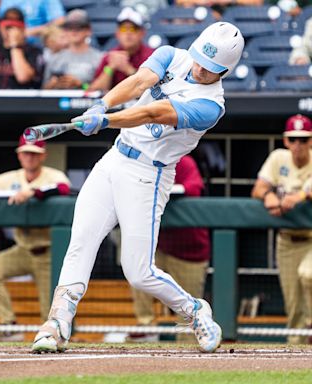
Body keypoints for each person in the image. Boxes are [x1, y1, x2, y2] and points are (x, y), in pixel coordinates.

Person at [31, 21, 245, 354]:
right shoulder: (171, 56)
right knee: (81, 240)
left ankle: (195, 311)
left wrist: (105, 120)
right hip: (114, 158)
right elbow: (137, 83)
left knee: (139, 272)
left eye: (211, 68)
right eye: (201, 59)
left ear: (226, 70)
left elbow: (151, 112)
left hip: (149, 175)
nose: (201, 69)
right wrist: (101, 105)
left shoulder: (211, 106)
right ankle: (57, 323)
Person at [0, 136, 71, 341]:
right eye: (26, 152)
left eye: (35, 153)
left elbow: (63, 188)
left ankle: (55, 341)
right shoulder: (9, 178)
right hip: (23, 249)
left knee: (50, 310)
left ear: (43, 155)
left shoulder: (53, 175)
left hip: (48, 253)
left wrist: (33, 192)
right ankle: (9, 325)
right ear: (19, 155)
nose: (30, 157)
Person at [130, 155, 210, 343]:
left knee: (188, 312)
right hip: (159, 245)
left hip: (189, 249)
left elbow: (194, 188)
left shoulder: (184, 162)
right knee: (137, 268)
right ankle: (146, 328)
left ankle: (189, 352)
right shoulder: (143, 162)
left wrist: (165, 190)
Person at [251, 114, 312, 344]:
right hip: (286, 242)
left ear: (311, 141)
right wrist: (268, 196)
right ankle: (295, 362)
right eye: (293, 139)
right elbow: (258, 188)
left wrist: (300, 196)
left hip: (310, 238)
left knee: (308, 274)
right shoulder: (278, 158)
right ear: (286, 140)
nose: (298, 145)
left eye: (303, 139)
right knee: (293, 308)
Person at [90, 7, 154, 92]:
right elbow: (95, 90)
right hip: (115, 104)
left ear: (142, 33)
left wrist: (129, 70)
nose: (128, 33)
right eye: (123, 29)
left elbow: (154, 89)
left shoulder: (151, 56)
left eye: (133, 29)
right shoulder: (110, 57)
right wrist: (110, 67)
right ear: (117, 33)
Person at [42, 9, 103, 90]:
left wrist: (80, 85)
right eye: (69, 27)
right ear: (65, 30)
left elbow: (103, 90)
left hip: (88, 102)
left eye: (79, 27)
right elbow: (43, 91)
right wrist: (53, 84)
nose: (74, 31)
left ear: (88, 31)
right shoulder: (55, 58)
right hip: (57, 101)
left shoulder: (99, 58)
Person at [0, 0, 65, 42]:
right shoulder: (1, 2)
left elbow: (60, 21)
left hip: (39, 44)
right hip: (5, 42)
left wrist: (27, 33)